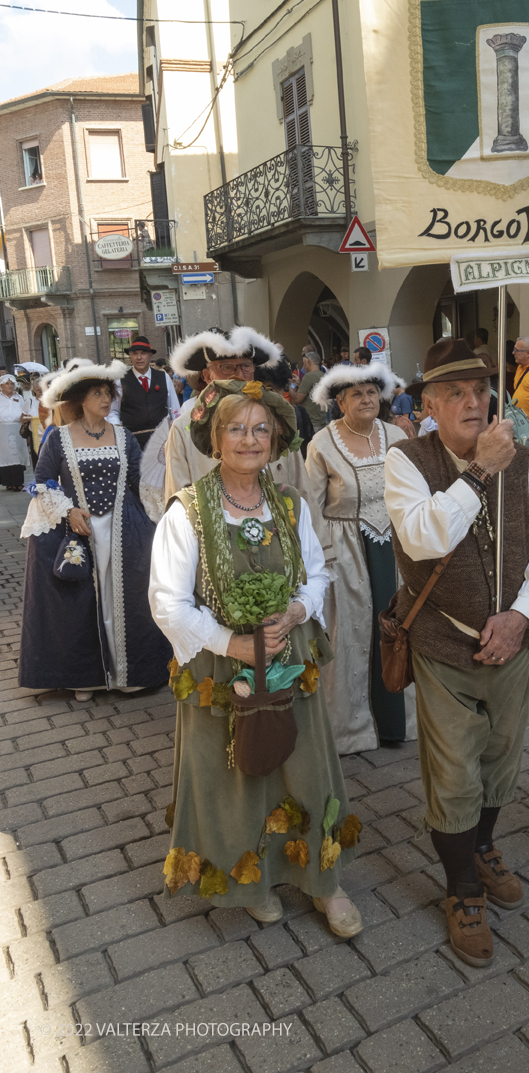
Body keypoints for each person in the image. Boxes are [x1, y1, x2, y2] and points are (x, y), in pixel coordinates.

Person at [149, 379, 362, 935]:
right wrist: (231, 643)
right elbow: (166, 602)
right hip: (221, 665)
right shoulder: (187, 512)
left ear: (276, 439)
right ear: (215, 439)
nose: (250, 439)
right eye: (236, 429)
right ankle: (250, 881)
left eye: (260, 429)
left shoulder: (289, 505)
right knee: (235, 776)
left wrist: (297, 610)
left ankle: (324, 881)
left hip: (289, 657)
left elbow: (318, 574)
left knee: (306, 766)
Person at [384, 338, 529, 967]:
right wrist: (481, 470)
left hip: (512, 645)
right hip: (443, 645)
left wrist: (520, 616)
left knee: (500, 763)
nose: (475, 401)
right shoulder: (405, 459)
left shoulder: (520, 459)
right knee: (454, 773)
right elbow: (423, 535)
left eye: (482, 390)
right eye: (456, 393)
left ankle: (483, 848)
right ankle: (462, 889)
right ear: (429, 406)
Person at [18, 361, 171, 701]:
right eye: (97, 393)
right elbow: (41, 483)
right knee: (82, 599)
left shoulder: (123, 435)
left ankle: (130, 674)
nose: (106, 399)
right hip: (79, 531)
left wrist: (169, 500)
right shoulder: (58, 437)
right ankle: (88, 678)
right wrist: (69, 510)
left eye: (108, 393)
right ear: (80, 399)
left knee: (128, 597)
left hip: (124, 530)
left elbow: (139, 479)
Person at [305, 363, 412, 753]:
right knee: (352, 632)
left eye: (371, 393)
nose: (366, 400)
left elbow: (413, 491)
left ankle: (399, 721)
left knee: (402, 627)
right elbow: (310, 507)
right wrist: (325, 556)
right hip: (346, 549)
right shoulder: (321, 443)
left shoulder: (397, 435)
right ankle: (353, 729)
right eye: (356, 395)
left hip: (396, 548)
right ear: (339, 402)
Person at [165, 328, 310, 506]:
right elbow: (178, 499)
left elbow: (302, 490)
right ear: (207, 376)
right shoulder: (183, 428)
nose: (239, 376)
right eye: (227, 367)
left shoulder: (276, 418)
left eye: (246, 366)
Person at [119, 337, 180, 449]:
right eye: (135, 353)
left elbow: (174, 408)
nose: (139, 357)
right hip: (132, 442)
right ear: (130, 357)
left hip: (162, 440)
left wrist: (176, 433)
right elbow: (113, 411)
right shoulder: (120, 380)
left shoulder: (163, 377)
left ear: (150, 356)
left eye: (143, 353)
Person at [0, 376, 30, 490]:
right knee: (6, 456)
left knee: (18, 454)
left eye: (12, 383)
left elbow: (24, 411)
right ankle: (9, 482)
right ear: (1, 386)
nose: (10, 385)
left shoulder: (19, 397)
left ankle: (19, 482)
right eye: (7, 383)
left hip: (17, 427)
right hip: (3, 429)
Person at [289, 352, 327, 433]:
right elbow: (311, 391)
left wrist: (289, 385)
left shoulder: (308, 376)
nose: (303, 366)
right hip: (322, 419)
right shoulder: (323, 375)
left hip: (311, 421)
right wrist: (299, 384)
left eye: (304, 363)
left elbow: (296, 399)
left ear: (309, 362)